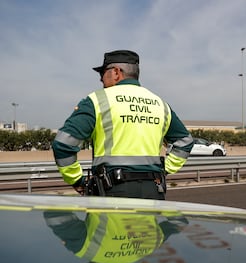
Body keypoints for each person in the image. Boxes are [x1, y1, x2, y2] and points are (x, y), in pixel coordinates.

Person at [52, 50, 194, 198]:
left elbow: (63, 144)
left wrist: (76, 180)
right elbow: (185, 142)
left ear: (116, 72)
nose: (101, 80)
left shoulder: (97, 100)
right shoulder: (160, 104)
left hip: (112, 192)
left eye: (103, 73)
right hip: (153, 191)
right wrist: (163, 170)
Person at [44, 211, 186, 263]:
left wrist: (157, 204)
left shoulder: (149, 248)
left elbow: (181, 223)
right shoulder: (86, 250)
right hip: (105, 183)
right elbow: (54, 214)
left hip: (148, 184)